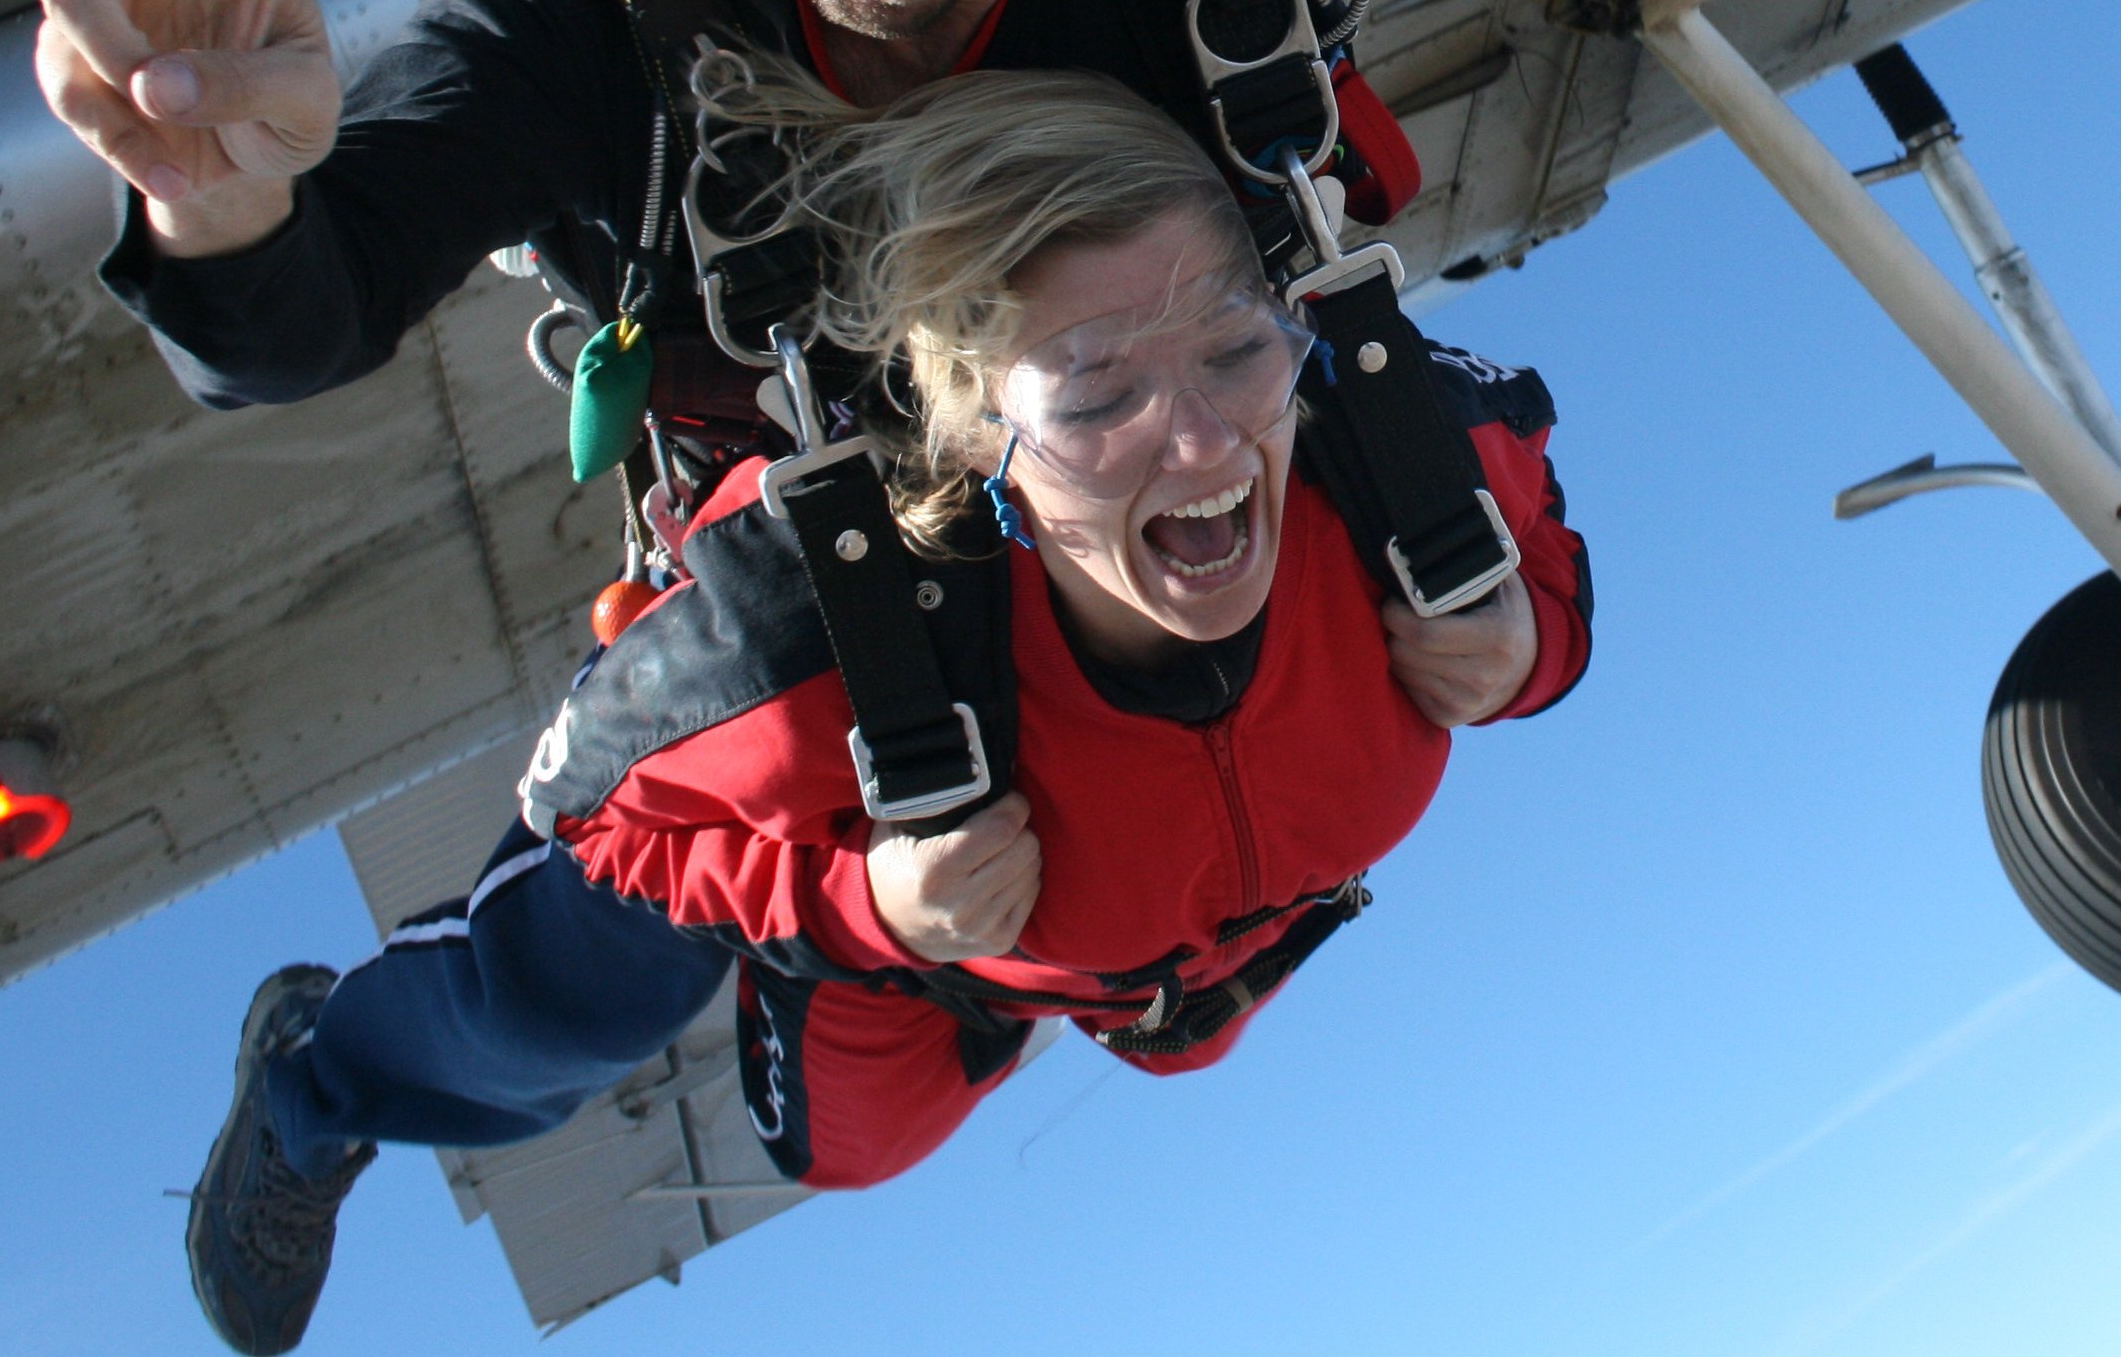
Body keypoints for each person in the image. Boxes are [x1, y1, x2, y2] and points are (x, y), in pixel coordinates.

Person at [0, 0, 2121, 1350]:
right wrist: (222, 205)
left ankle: (985, 969)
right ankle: (327, 1085)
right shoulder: (594, 7)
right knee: (601, 982)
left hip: (1154, 395)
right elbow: (302, 311)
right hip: (826, 464)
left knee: (1322, 666)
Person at [202, 66, 1591, 1341]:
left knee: (1146, 1047)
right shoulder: (818, 635)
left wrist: (1534, 644)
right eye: (1098, 393)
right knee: (613, 1014)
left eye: (1235, 350)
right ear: (982, 435)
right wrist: (869, 902)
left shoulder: (1410, 463)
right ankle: (311, 1084)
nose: (1208, 439)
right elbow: (593, 816)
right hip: (917, 908)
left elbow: (1542, 510)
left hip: (1156, 942)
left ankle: (1060, 964)